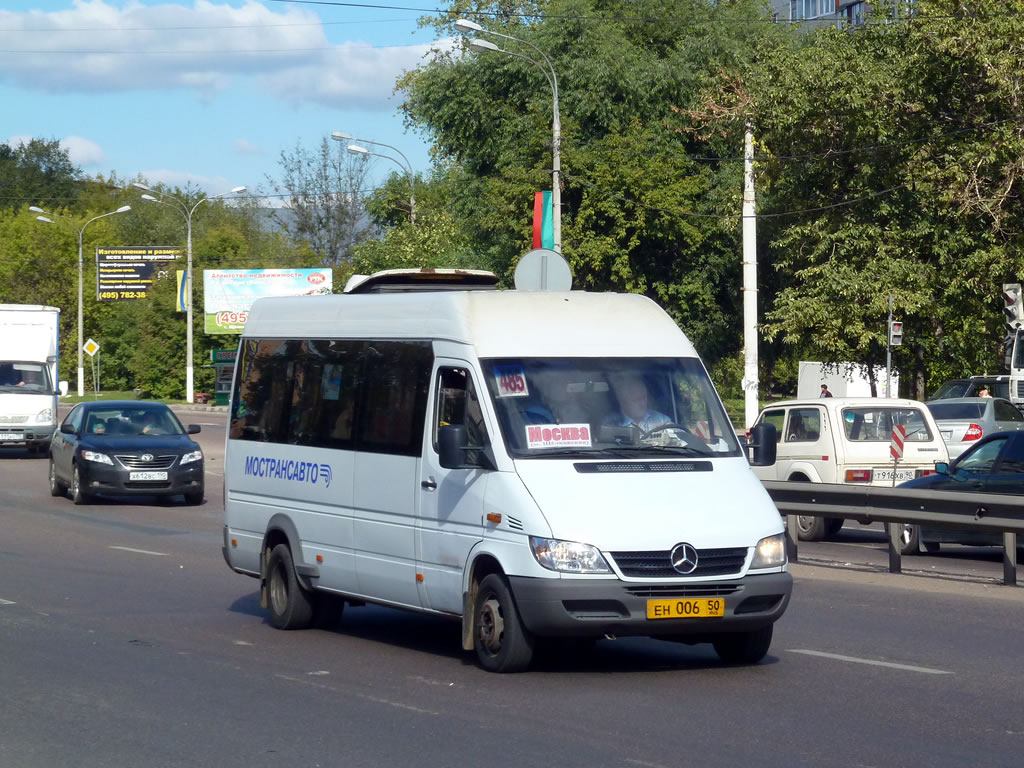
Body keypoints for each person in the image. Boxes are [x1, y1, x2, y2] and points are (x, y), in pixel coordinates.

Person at [605, 372, 671, 433]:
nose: (642, 404)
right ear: (623, 402)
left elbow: (680, 440)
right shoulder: (610, 425)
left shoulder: (662, 421)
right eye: (636, 400)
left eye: (644, 398)